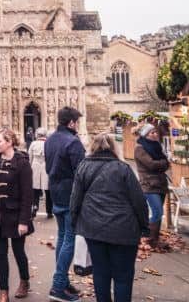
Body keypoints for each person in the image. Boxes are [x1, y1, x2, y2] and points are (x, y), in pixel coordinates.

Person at [71, 133, 149, 302]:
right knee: (123, 276)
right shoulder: (123, 168)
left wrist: (76, 224)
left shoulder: (83, 166)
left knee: (100, 272)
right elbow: (139, 201)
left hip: (93, 229)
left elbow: (75, 200)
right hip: (123, 230)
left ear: (93, 147)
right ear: (114, 148)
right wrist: (144, 226)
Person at [0, 128, 33, 302]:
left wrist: (24, 221)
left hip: (15, 215)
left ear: (9, 142)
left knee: (19, 251)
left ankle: (24, 281)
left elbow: (28, 195)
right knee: (0, 254)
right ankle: (3, 290)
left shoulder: (22, 163)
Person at [45, 107, 86, 302]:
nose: (77, 125)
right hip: (71, 194)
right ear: (71, 123)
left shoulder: (50, 139)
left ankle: (63, 281)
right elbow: (81, 173)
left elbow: (48, 166)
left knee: (62, 237)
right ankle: (58, 286)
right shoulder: (73, 142)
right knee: (69, 238)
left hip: (55, 192)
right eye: (76, 122)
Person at [134, 123, 170, 251]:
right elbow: (152, 165)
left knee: (158, 214)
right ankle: (142, 234)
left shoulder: (157, 147)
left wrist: (163, 163)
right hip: (149, 185)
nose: (155, 134)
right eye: (152, 132)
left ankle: (154, 240)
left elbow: (167, 163)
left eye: (155, 132)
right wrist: (163, 163)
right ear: (145, 135)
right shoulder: (140, 148)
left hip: (160, 184)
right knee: (157, 212)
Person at [28, 127, 52, 219]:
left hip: (35, 165)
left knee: (35, 189)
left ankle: (35, 207)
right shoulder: (48, 143)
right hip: (46, 165)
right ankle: (49, 210)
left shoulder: (33, 144)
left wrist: (29, 167)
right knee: (47, 190)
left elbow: (29, 156)